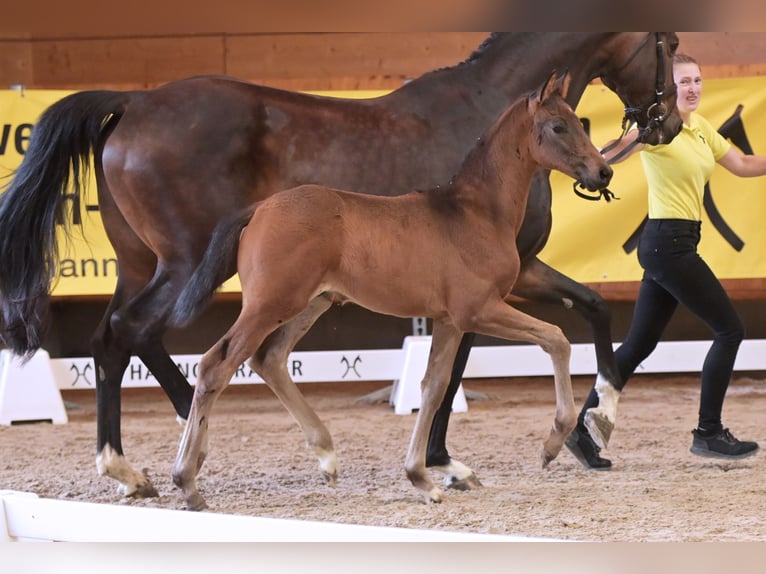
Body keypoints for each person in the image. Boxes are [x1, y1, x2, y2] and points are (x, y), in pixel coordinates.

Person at [566, 53, 765, 470]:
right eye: (683, 82)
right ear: (669, 89)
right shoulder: (658, 128)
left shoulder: (700, 128)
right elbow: (611, 156)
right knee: (730, 329)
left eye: (697, 80)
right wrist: (637, 137)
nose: (692, 88)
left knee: (638, 345)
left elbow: (743, 165)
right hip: (668, 245)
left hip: (673, 245)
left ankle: (584, 435)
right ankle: (709, 432)